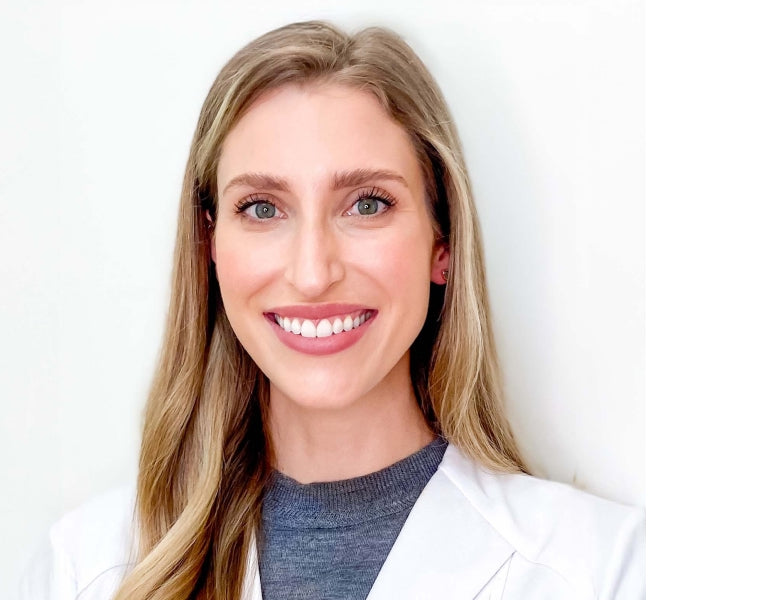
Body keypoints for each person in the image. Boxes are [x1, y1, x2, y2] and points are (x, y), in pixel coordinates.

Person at [18, 20, 644, 600]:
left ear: (442, 244)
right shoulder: (83, 569)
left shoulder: (604, 569)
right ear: (210, 246)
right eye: (263, 208)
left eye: (366, 205)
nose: (314, 273)